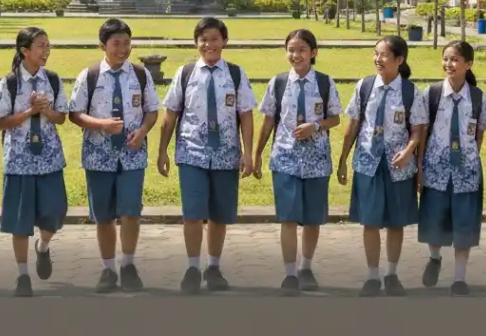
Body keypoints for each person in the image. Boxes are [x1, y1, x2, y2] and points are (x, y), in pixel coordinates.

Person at [158, 17, 257, 295]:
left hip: (226, 155)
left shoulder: (236, 74)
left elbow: (246, 116)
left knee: (219, 215)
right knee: (192, 214)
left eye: (214, 39)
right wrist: (163, 151)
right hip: (192, 153)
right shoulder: (186, 73)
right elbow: (171, 115)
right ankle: (192, 267)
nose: (208, 45)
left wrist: (248, 152)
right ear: (196, 43)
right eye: (203, 39)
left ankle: (213, 267)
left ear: (224, 41)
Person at [68, 18, 159, 293]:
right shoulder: (90, 75)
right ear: (102, 45)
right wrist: (101, 125)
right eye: (116, 44)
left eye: (127, 43)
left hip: (132, 155)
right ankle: (108, 269)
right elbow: (74, 113)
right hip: (99, 156)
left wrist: (142, 131)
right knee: (104, 216)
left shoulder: (140, 74)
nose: (123, 49)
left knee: (131, 212)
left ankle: (128, 265)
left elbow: (152, 110)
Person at [337, 35, 427, 297]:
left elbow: (418, 130)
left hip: (398, 167)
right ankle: (372, 275)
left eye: (384, 55)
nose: (377, 59)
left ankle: (392, 274)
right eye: (375, 53)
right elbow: (353, 124)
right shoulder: (364, 87)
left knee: (396, 223)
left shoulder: (410, 92)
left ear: (400, 60)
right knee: (370, 221)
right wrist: (343, 158)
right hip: (368, 162)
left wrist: (409, 152)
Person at [255, 29, 341, 296]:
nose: (296, 55)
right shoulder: (279, 83)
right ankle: (290, 273)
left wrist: (315, 126)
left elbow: (335, 118)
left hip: (316, 161)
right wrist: (256, 153)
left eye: (302, 49)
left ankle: (306, 266)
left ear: (313, 53)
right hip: (285, 158)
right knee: (288, 217)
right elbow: (268, 119)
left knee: (313, 218)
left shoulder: (325, 83)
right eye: (291, 50)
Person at [0, 27, 69, 297]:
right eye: (40, 46)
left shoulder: (53, 80)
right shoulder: (9, 83)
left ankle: (43, 246)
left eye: (48, 46)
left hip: (49, 159)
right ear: (25, 50)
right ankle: (22, 275)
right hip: (19, 161)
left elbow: (62, 117)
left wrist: (47, 110)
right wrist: (29, 111)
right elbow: (1, 122)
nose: (46, 51)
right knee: (20, 221)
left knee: (55, 213)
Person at [416, 41, 486, 296]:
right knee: (435, 220)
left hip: (466, 173)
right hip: (436, 169)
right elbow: (422, 132)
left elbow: (480, 133)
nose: (449, 64)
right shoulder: (432, 93)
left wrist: (470, 159)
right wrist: (420, 166)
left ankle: (459, 278)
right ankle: (434, 258)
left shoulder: (478, 97)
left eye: (455, 60)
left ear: (468, 65)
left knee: (464, 223)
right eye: (446, 59)